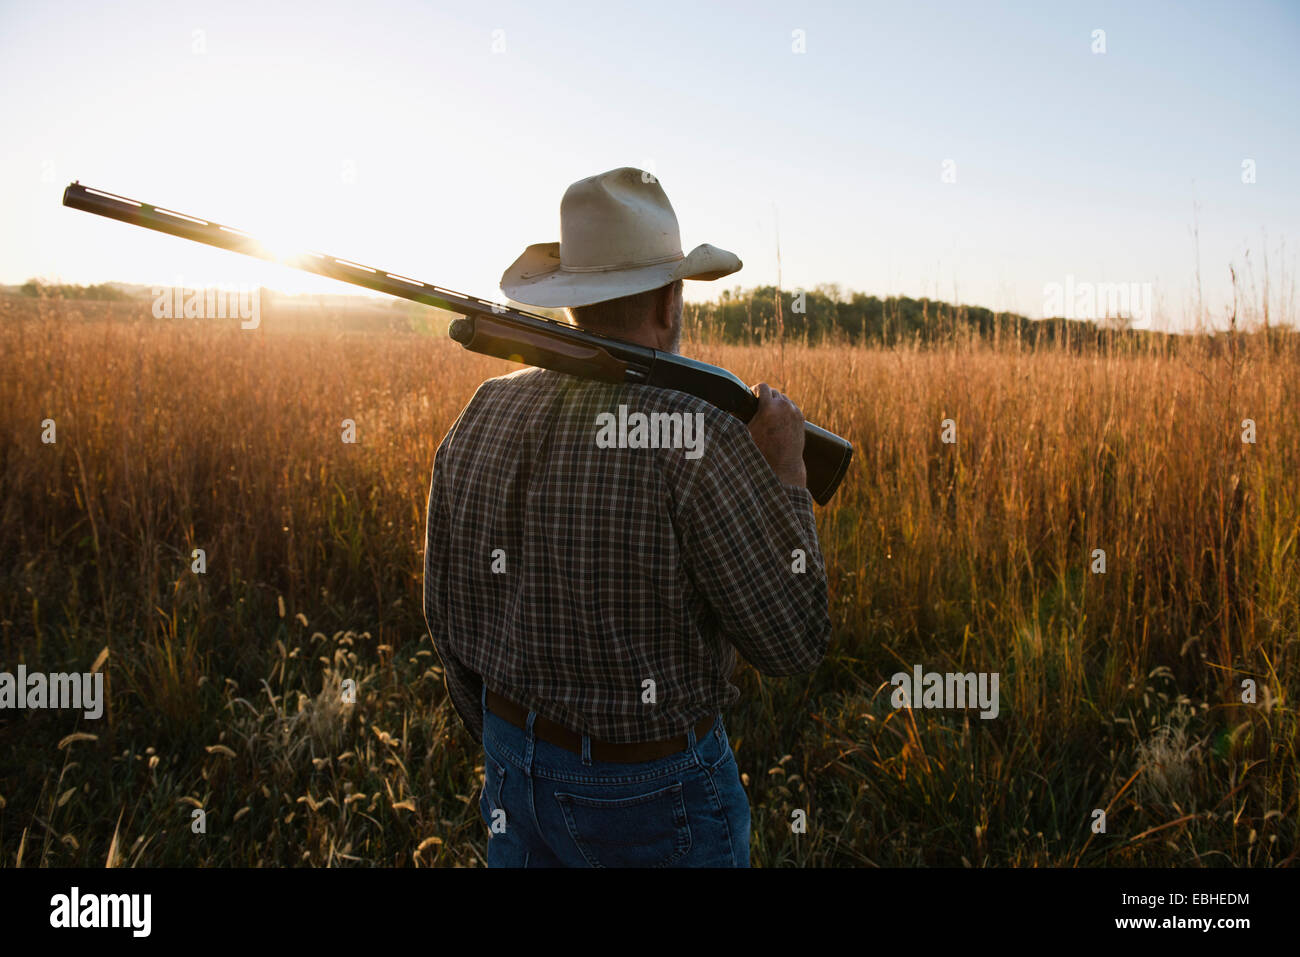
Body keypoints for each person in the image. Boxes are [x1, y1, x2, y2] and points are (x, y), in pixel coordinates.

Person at [423, 167, 831, 867]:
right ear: (672, 302)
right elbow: (793, 641)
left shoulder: (483, 410)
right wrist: (789, 477)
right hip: (654, 794)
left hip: (512, 769)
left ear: (573, 299)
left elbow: (446, 615)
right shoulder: (698, 432)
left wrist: (510, 740)